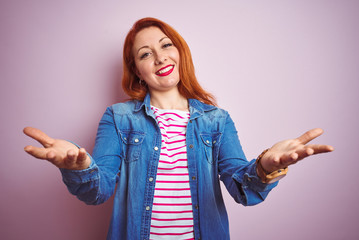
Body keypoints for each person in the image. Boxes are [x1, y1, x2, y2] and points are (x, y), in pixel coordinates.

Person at [23, 17, 334, 240]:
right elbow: (99, 190)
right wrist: (79, 167)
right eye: (145, 54)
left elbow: (243, 189)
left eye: (165, 45)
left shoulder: (216, 120)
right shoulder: (119, 118)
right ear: (138, 72)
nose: (159, 57)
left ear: (179, 51)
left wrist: (266, 167)